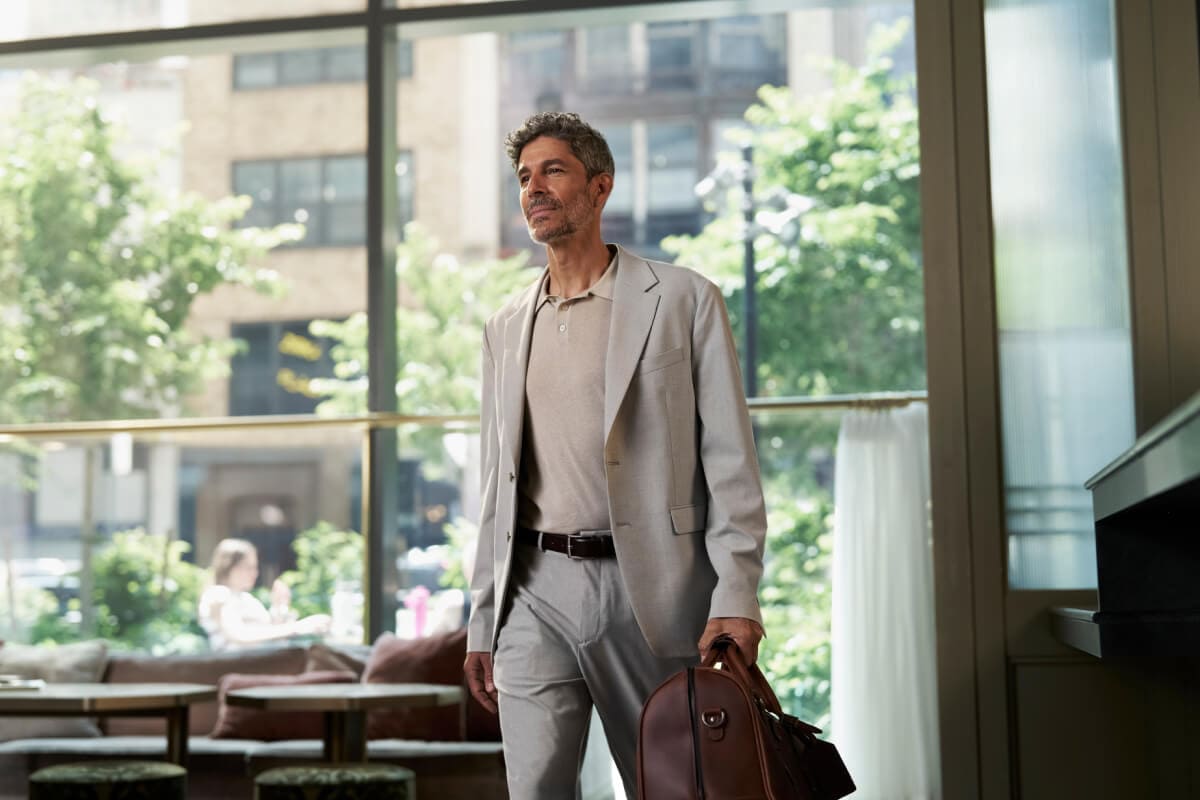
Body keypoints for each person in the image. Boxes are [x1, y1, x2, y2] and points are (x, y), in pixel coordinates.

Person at [464, 111, 767, 800]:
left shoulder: (683, 299)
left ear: (600, 188)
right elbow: (495, 486)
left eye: (553, 171)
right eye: (524, 177)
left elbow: (730, 463)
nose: (533, 188)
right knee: (535, 788)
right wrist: (483, 619)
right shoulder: (506, 328)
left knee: (670, 787)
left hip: (654, 593)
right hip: (535, 592)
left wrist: (737, 594)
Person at [198, 538, 330, 650]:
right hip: (240, 668)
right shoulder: (218, 594)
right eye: (248, 567)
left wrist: (280, 606)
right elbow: (239, 635)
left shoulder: (245, 598)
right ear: (229, 567)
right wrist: (298, 627)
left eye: (255, 567)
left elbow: (269, 634)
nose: (254, 573)